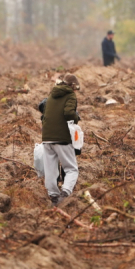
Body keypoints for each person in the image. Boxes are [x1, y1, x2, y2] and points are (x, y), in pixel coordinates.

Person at [41, 73, 81, 207]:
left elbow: (44, 110)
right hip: (62, 137)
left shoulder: (52, 95)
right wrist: (76, 120)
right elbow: (69, 113)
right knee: (71, 169)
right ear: (73, 86)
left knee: (51, 169)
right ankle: (64, 194)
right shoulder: (70, 95)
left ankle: (53, 196)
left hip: (46, 137)